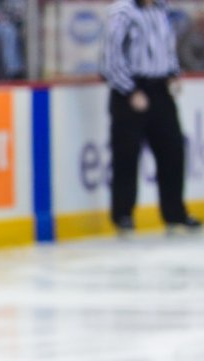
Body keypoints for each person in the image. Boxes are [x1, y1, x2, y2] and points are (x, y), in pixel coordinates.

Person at [101, 0, 201, 234]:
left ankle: (175, 213)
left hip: (160, 90)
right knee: (126, 155)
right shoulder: (122, 12)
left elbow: (166, 47)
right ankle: (123, 214)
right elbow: (110, 58)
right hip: (131, 91)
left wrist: (173, 74)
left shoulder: (160, 10)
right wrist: (130, 90)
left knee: (173, 151)